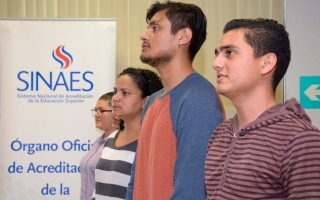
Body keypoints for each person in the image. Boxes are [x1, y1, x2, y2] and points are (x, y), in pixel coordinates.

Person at [205, 18, 320, 199]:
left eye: (229, 52)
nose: (216, 63)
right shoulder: (219, 134)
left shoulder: (300, 140)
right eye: (217, 53)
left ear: (266, 63)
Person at [126, 1, 225, 199]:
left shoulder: (199, 100)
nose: (144, 35)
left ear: (183, 37)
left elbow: (191, 191)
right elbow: (135, 181)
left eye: (155, 28)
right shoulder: (153, 101)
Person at [94, 67, 163, 199]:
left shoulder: (151, 144)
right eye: (115, 91)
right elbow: (97, 190)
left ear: (146, 101)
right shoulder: (111, 138)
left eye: (125, 93)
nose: (115, 98)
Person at [80, 92, 119, 200]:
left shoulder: (118, 144)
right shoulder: (98, 142)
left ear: (115, 112)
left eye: (101, 110)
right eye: (95, 110)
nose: (97, 114)